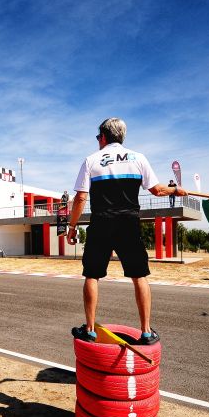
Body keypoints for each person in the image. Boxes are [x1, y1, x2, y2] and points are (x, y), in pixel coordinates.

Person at [66, 117, 187, 344]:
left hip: (101, 222)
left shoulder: (91, 160)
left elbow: (81, 196)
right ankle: (146, 332)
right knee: (139, 275)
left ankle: (90, 331)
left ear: (103, 136)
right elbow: (157, 190)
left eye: (97, 137)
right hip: (128, 223)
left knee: (92, 275)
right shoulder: (138, 158)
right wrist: (176, 190)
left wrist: (72, 228)